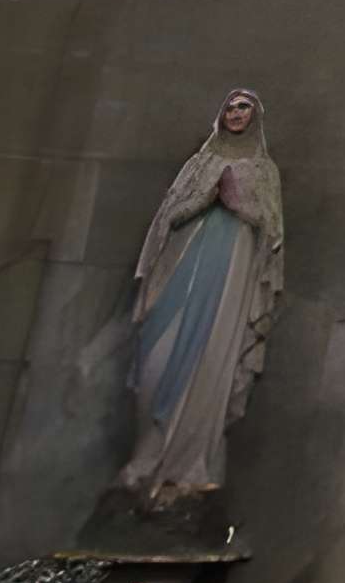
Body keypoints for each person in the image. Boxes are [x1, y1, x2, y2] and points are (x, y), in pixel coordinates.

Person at [119, 90, 285, 512]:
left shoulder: (264, 172)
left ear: (256, 117)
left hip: (228, 285)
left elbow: (272, 236)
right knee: (156, 362)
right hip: (180, 275)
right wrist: (203, 199)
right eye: (231, 106)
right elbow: (167, 220)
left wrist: (240, 206)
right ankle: (147, 458)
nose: (236, 113)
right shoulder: (199, 164)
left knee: (210, 366)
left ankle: (190, 469)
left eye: (244, 107)